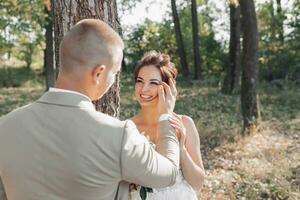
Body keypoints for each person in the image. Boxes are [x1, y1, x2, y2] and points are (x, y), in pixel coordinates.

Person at [0, 19, 180, 200]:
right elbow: (170, 173)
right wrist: (165, 117)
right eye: (115, 73)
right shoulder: (118, 136)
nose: (113, 81)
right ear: (99, 73)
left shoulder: (5, 126)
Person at [129, 51, 205, 199]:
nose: (143, 89)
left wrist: (181, 149)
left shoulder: (184, 124)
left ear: (168, 87)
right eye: (140, 81)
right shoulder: (128, 127)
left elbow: (197, 184)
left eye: (153, 83)